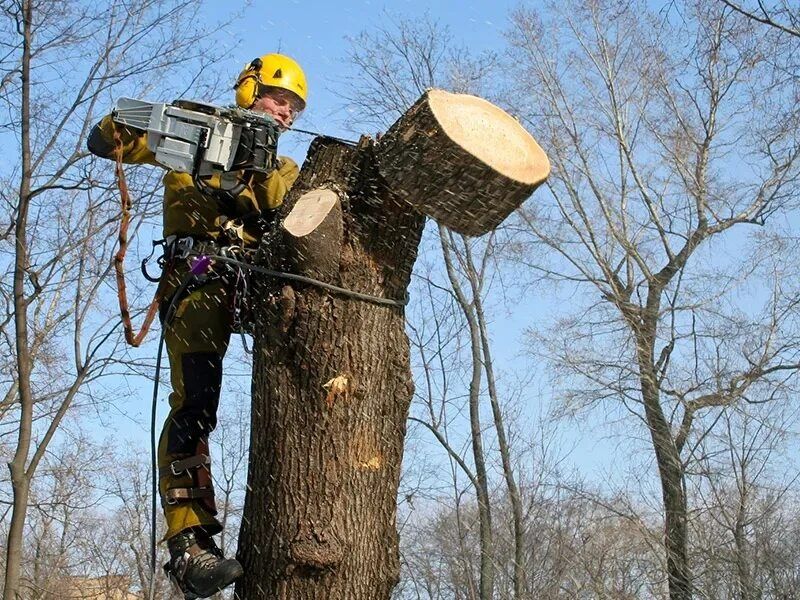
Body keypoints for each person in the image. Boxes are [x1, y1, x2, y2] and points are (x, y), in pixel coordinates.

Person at [87, 53, 307, 598]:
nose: (286, 112)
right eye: (280, 99)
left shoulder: (284, 170)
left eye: (295, 107)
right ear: (249, 89)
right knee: (196, 402)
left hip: (260, 285)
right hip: (201, 277)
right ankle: (189, 546)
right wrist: (170, 126)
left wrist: (249, 172)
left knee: (307, 379)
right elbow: (107, 141)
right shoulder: (193, 142)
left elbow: (286, 209)